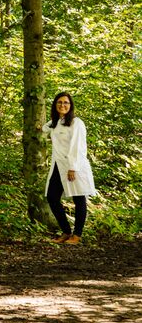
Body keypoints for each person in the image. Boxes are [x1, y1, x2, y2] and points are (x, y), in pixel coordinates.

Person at [43, 92, 97, 245]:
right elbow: (45, 128)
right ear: (55, 105)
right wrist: (40, 129)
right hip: (58, 165)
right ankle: (66, 231)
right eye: (59, 102)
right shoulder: (56, 122)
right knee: (52, 197)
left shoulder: (76, 122)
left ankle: (77, 235)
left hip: (74, 165)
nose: (63, 105)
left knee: (79, 198)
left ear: (71, 105)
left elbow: (78, 146)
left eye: (66, 103)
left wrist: (73, 168)